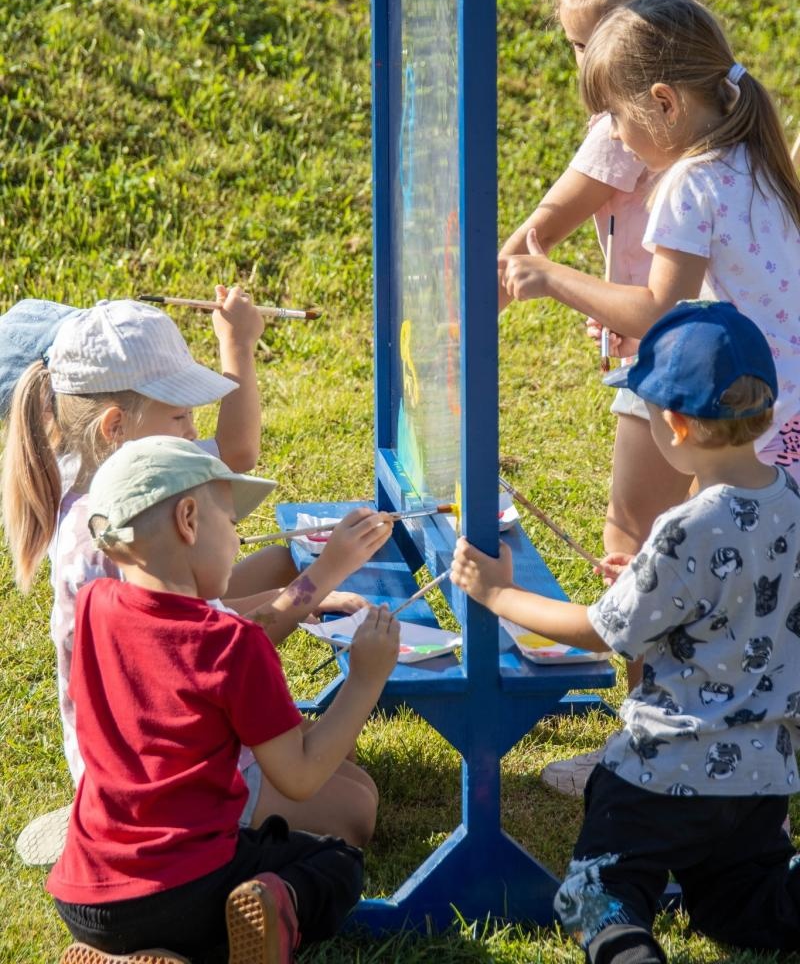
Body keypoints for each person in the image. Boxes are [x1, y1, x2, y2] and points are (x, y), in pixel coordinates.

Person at [452, 301, 800, 962]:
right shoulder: (791, 504)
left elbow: (598, 630)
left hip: (661, 773)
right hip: (761, 778)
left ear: (674, 424)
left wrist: (497, 592)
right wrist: (646, 575)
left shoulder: (684, 528)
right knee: (747, 906)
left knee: (596, 891)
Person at [1, 296, 379, 848]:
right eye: (180, 416)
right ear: (115, 427)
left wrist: (305, 590)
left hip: (162, 734)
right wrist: (320, 578)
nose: (191, 430)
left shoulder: (109, 473)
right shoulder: (110, 542)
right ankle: (222, 858)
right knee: (357, 810)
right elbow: (222, 644)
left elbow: (205, 620)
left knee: (351, 778)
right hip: (157, 777)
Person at [47, 436, 400, 964]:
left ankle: (142, 954)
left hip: (83, 894)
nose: (238, 541)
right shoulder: (234, 645)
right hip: (182, 889)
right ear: (189, 520)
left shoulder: (97, 605)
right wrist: (366, 680)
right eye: (232, 524)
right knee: (337, 864)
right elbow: (301, 777)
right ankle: (256, 925)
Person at [501, 0, 800, 488]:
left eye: (614, 116)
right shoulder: (752, 158)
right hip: (784, 415)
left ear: (664, 103)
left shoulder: (689, 183)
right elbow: (715, 303)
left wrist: (552, 277)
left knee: (724, 532)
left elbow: (660, 308)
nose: (614, 135)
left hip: (756, 425)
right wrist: (636, 326)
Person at [499, 0, 703, 561]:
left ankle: (643, 636)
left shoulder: (622, 130)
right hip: (712, 343)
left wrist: (463, 321)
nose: (585, 65)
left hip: (669, 353)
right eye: (575, 47)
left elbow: (536, 236)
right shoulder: (704, 102)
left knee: (632, 538)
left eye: (594, 46)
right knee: (698, 527)